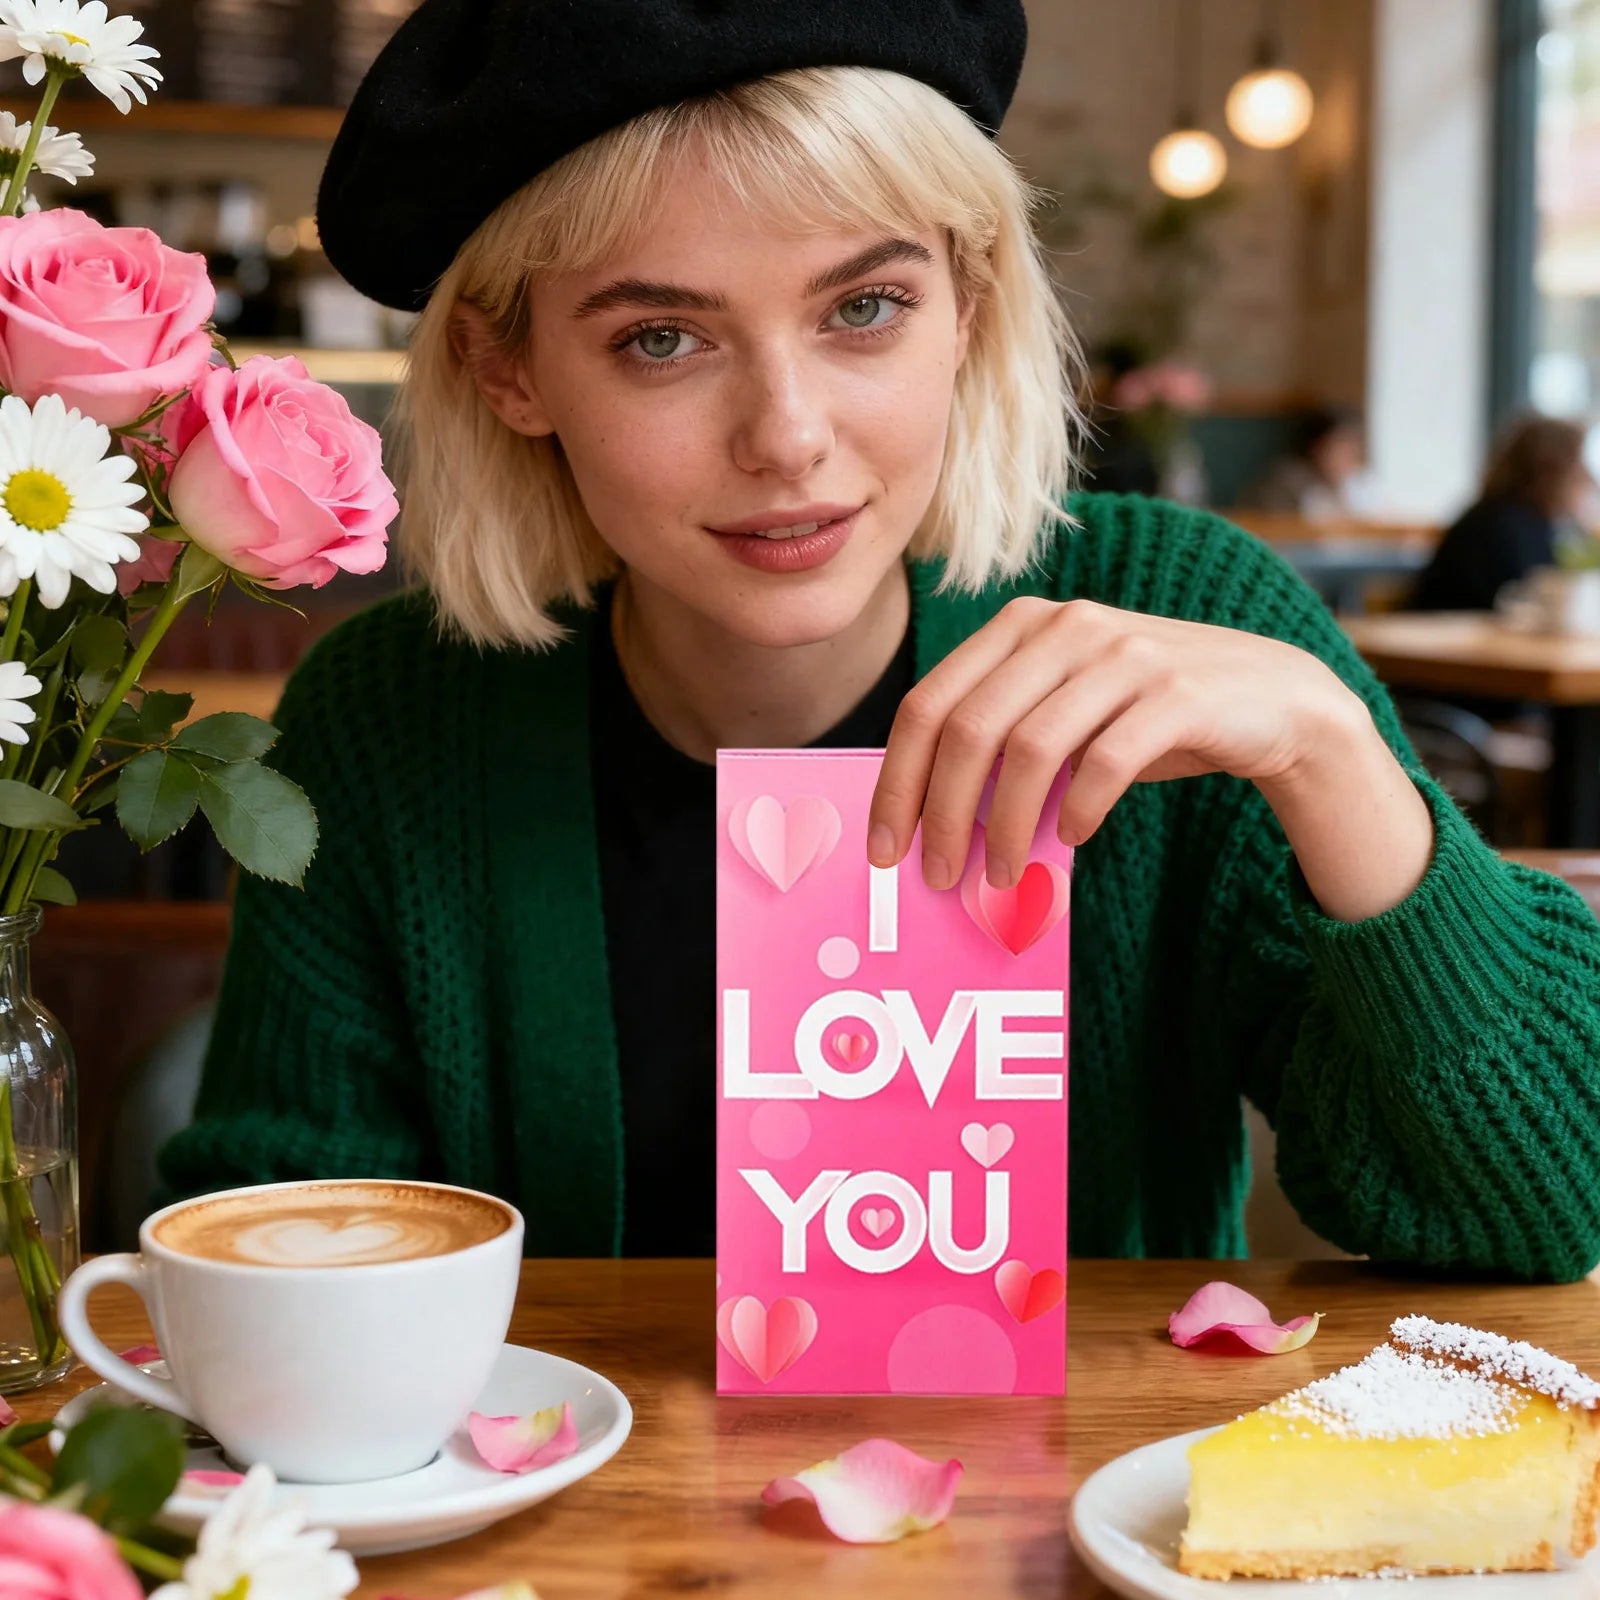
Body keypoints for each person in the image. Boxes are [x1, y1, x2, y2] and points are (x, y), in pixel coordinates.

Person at [159, 0, 1600, 1281]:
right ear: (509, 366)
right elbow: (270, 1273)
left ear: (966, 310)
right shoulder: (385, 723)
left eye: (865, 308)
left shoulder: (1190, 616)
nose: (787, 438)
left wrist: (1338, 760)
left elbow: (1546, 1210)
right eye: (661, 337)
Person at [1408, 414, 1596, 613]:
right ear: (1551, 472)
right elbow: (1517, 606)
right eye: (1580, 468)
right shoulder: (1501, 526)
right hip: (1446, 639)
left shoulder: (1530, 523)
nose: (1590, 480)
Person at [1241, 404, 1378, 521]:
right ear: (1317, 448)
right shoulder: (1287, 482)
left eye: (1354, 446)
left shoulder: (1361, 483)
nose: (1349, 455)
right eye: (1341, 445)